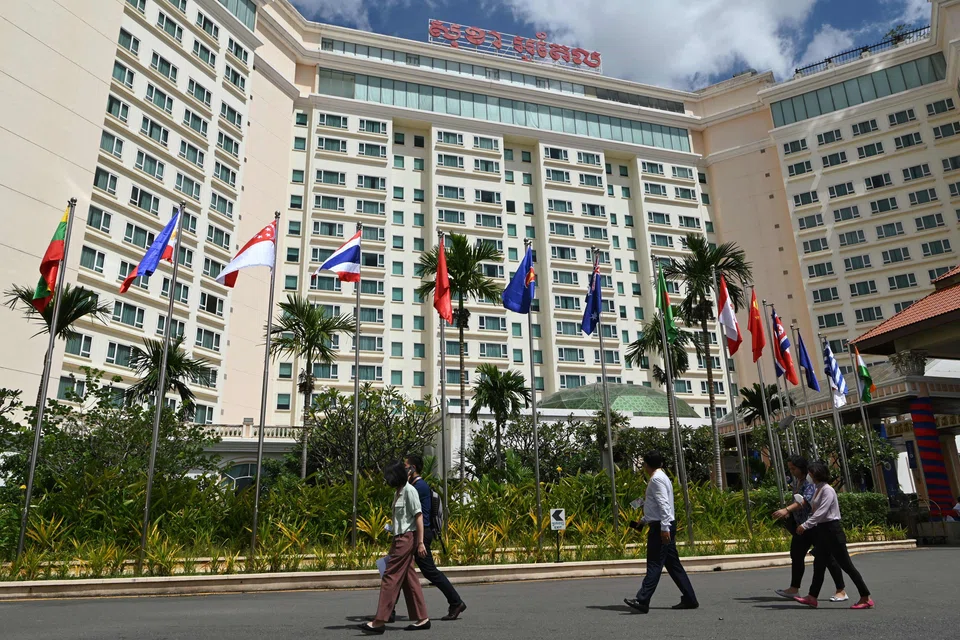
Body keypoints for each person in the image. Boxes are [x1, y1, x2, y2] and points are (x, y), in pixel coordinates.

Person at [389, 455, 466, 622]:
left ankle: (456, 601)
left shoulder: (418, 487)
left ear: (413, 468)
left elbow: (418, 516)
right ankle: (389, 610)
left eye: (405, 466)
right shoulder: (414, 485)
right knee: (400, 571)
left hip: (420, 534)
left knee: (428, 571)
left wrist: (420, 541)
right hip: (416, 533)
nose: (403, 469)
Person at [359, 461, 430, 634]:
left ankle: (379, 620)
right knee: (408, 578)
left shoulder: (409, 491)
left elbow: (418, 517)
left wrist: (420, 542)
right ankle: (423, 618)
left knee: (390, 576)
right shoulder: (398, 492)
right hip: (399, 538)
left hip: (406, 539)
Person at [623, 450, 698, 614]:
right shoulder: (661, 477)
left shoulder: (656, 479)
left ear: (647, 465)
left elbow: (664, 505)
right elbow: (657, 506)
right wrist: (643, 521)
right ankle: (690, 598)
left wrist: (664, 528)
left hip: (661, 527)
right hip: (661, 524)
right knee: (673, 565)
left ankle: (643, 600)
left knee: (655, 563)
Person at [793, 461, 874, 610]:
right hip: (823, 531)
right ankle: (812, 597)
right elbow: (815, 509)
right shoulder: (818, 489)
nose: (809, 476)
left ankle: (865, 596)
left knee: (847, 566)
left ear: (817, 474)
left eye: (811, 473)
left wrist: (805, 525)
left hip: (832, 530)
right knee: (819, 564)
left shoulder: (827, 490)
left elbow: (822, 512)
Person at [772, 455, 848, 602]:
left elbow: (805, 501)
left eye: (793, 468)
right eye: (790, 468)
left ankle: (841, 590)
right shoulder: (798, 481)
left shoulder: (810, 481)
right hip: (801, 525)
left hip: (813, 525)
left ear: (802, 468)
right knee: (796, 554)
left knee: (827, 558)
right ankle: (794, 588)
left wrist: (786, 510)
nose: (791, 471)